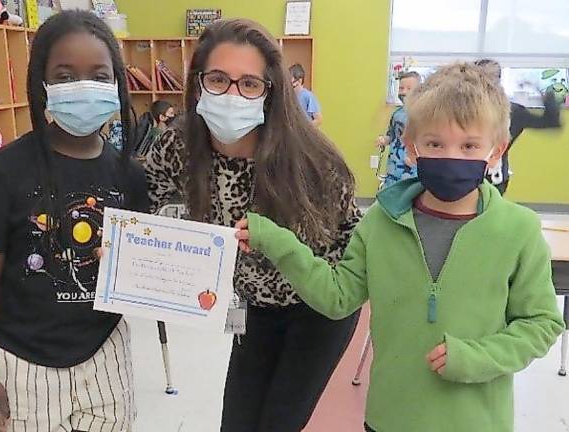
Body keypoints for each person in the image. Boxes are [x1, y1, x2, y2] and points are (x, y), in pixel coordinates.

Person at [235, 63, 565, 432]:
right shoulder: (380, 222)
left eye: (469, 145)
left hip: (476, 422)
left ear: (496, 151)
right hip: (388, 419)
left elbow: (541, 324)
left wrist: (479, 358)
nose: (451, 156)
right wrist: (278, 242)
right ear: (411, 147)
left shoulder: (518, 230)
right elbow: (338, 296)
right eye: (435, 143)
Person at [143, 18, 361, 432]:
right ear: (198, 83)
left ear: (269, 92)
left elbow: (349, 266)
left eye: (249, 84)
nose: (231, 93)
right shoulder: (178, 146)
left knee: (279, 422)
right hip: (251, 307)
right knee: (238, 422)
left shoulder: (314, 164)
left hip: (315, 311)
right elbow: (143, 205)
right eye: (218, 79)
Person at [0, 11, 149, 432]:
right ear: (41, 85)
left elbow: (141, 270)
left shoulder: (130, 176)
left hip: (106, 356)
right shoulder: (3, 172)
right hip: (22, 364)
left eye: (99, 76)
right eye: (64, 76)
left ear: (116, 84)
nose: (84, 86)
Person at [475, 58, 561, 195]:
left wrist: (541, 91)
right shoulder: (462, 110)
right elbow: (551, 122)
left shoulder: (514, 112)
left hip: (492, 178)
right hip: (483, 177)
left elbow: (551, 122)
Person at [376, 70, 421, 188]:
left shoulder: (423, 115)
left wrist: (416, 157)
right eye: (401, 88)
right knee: (392, 191)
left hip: (413, 167)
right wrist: (384, 140)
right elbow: (391, 135)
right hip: (394, 164)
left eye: (408, 88)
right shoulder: (397, 113)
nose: (404, 92)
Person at [107, 100, 176, 156]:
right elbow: (144, 152)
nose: (173, 116)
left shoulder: (147, 122)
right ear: (162, 117)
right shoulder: (149, 129)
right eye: (171, 113)